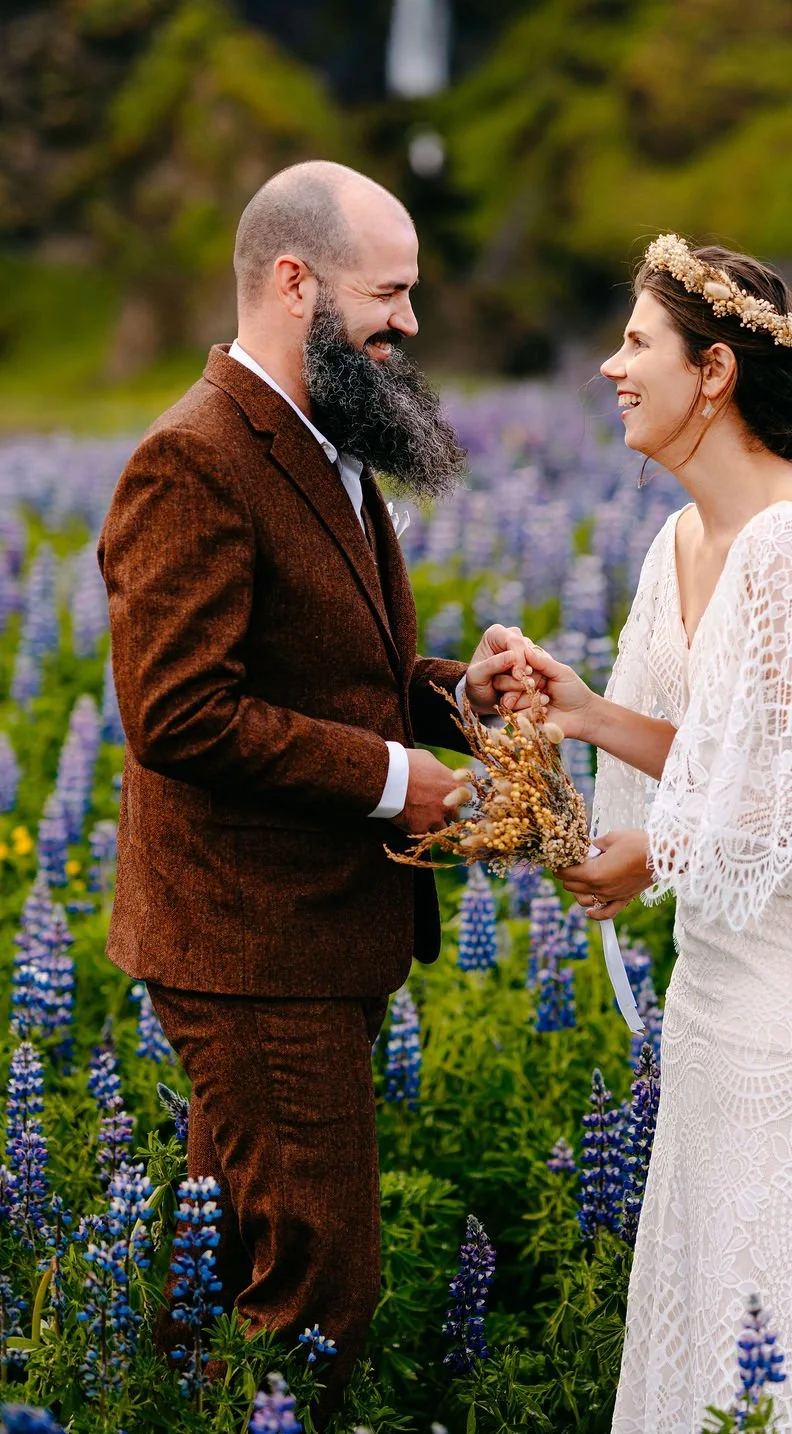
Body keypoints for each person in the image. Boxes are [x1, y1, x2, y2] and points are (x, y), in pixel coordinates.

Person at [97, 160, 531, 1413]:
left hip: (299, 932)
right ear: (296, 282)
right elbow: (180, 714)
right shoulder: (196, 458)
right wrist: (405, 781)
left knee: (233, 1260)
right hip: (249, 942)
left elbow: (326, 669)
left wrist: (456, 698)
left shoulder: (319, 440)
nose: (407, 323)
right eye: (386, 294)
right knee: (321, 1288)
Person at [526, 235, 792, 1432]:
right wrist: (587, 713)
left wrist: (654, 851)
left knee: (780, 1327)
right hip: (715, 1001)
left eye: (635, 344)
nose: (611, 367)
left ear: (712, 372)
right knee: (710, 1322)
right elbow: (726, 756)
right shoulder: (680, 543)